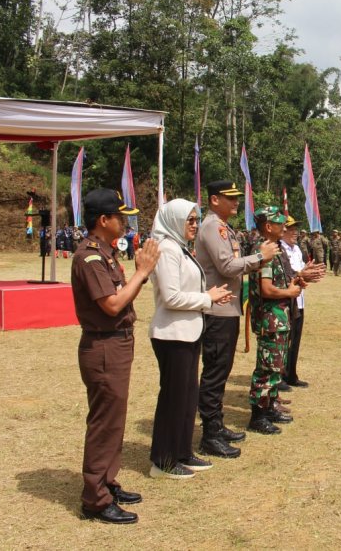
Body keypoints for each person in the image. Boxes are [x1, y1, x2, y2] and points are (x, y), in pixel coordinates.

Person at [71, 188, 160, 524]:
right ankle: (95, 499)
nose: (125, 222)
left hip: (116, 344)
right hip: (104, 345)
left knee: (114, 418)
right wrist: (142, 271)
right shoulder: (89, 257)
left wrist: (142, 271)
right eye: (120, 217)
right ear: (103, 220)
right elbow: (111, 304)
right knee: (104, 422)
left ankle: (107, 481)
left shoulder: (105, 253)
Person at [147, 199, 232, 479]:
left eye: (196, 220)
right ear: (174, 221)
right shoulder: (167, 250)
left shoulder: (181, 249)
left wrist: (210, 296)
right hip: (172, 335)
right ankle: (163, 460)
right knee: (173, 398)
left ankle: (182, 451)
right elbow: (171, 298)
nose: (194, 225)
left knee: (187, 398)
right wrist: (207, 297)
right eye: (190, 220)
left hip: (188, 331)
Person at [195, 181, 280, 458]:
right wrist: (259, 257)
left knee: (221, 371)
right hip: (216, 311)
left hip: (226, 309)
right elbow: (227, 266)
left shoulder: (225, 228)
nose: (236, 202)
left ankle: (216, 426)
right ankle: (209, 434)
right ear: (214, 199)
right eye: (229, 198)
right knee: (215, 372)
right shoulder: (212, 227)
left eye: (236, 197)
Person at [247, 206, 301, 434]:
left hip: (279, 318)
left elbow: (280, 282)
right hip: (270, 319)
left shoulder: (274, 249)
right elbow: (266, 289)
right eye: (280, 223)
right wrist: (289, 293)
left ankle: (269, 407)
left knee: (276, 366)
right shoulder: (264, 251)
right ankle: (258, 416)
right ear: (268, 227)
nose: (284, 227)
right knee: (267, 368)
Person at [280, 216, 325, 388]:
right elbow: (287, 274)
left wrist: (310, 274)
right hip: (285, 300)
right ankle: (280, 375)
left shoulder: (297, 249)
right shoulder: (280, 249)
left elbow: (300, 272)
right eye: (290, 229)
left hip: (298, 300)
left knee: (295, 339)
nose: (295, 232)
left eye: (296, 229)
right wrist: (303, 274)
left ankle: (291, 374)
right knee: (284, 340)